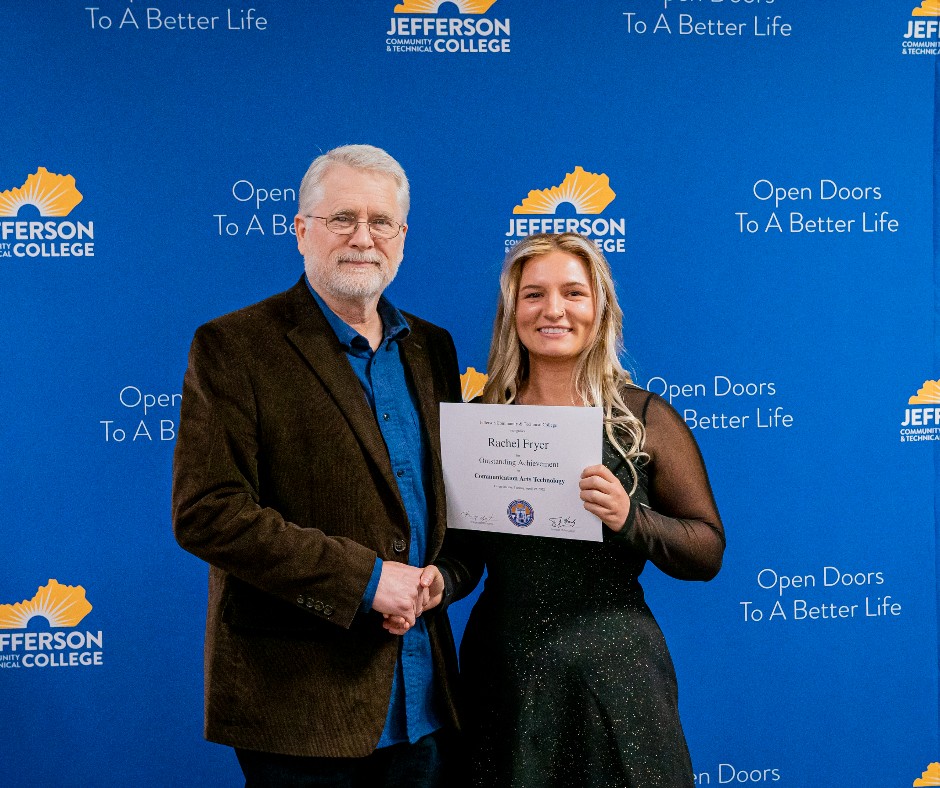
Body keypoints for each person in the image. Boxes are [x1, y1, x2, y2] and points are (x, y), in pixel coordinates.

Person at [172, 144, 463, 786]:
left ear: (402, 237)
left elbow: (455, 506)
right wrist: (366, 580)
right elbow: (207, 512)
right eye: (342, 219)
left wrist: (443, 579)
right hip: (298, 710)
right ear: (302, 230)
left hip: (426, 703)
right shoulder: (234, 346)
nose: (363, 237)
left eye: (381, 221)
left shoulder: (433, 348)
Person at [436, 232, 725, 787]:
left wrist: (629, 519)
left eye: (573, 293)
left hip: (616, 675)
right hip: (504, 672)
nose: (553, 310)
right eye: (534, 294)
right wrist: (440, 582)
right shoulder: (480, 420)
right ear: (512, 311)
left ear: (600, 309)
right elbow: (464, 553)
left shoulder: (642, 419)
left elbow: (707, 551)